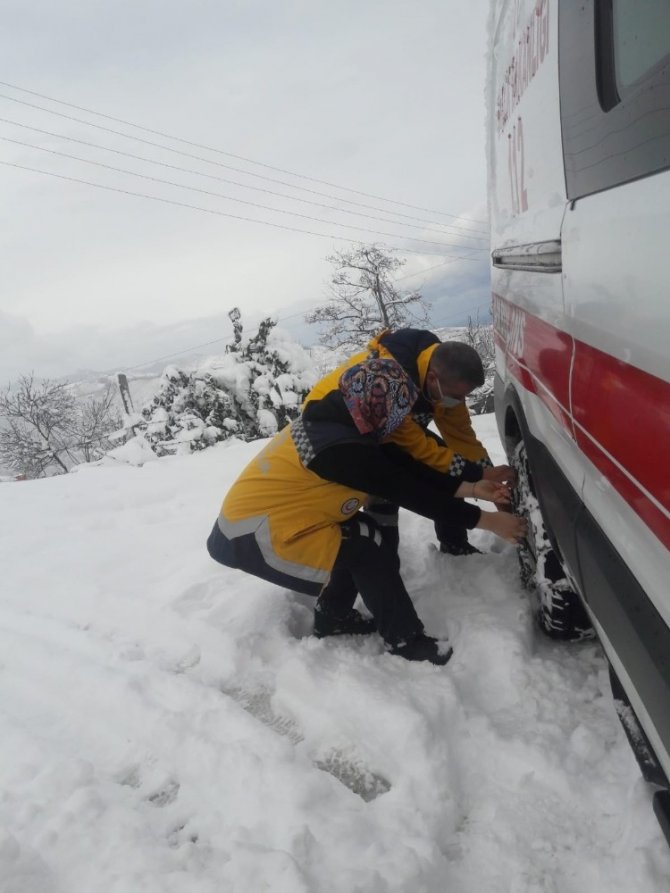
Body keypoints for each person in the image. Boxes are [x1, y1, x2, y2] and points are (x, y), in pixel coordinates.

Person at [207, 358, 527, 665]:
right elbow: (408, 490)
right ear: (378, 411)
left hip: (271, 519)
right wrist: (488, 521)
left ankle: (334, 616)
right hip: (253, 535)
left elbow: (404, 468)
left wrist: (471, 486)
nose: (400, 424)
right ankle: (405, 640)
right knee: (365, 548)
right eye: (396, 416)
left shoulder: (348, 417)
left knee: (363, 533)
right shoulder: (339, 447)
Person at [304, 328, 513, 555]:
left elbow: (462, 437)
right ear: (433, 379)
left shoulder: (447, 377)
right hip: (339, 431)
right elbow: (418, 449)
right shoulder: (390, 383)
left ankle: (454, 542)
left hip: (387, 428)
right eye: (457, 396)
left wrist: (486, 474)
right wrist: (477, 480)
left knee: (453, 467)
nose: (460, 402)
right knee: (393, 486)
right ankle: (381, 556)